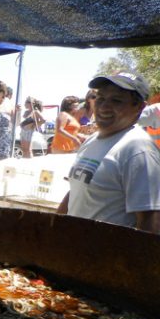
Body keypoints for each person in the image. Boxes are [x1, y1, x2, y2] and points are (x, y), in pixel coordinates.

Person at [58, 72, 160, 233]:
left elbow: (150, 220)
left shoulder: (138, 150)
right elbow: (76, 191)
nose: (104, 106)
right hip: (74, 253)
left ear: (139, 107)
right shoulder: (92, 141)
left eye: (116, 100)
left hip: (107, 257)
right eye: (101, 98)